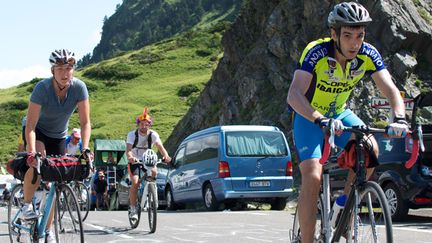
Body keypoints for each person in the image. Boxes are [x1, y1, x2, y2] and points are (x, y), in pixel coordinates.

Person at [286, 2, 409, 242]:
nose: (355, 43)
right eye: (348, 35)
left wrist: (400, 118)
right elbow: (294, 95)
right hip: (309, 116)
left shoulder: (367, 54)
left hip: (340, 113)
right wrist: (319, 119)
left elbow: (392, 91)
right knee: (312, 176)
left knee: (371, 148)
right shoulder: (317, 52)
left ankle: (344, 205)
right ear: (334, 34)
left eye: (360, 35)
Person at [22, 49, 91, 242]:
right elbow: (31, 126)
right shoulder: (42, 89)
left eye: (69, 67)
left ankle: (48, 230)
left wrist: (85, 148)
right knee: (39, 163)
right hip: (37, 131)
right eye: (60, 68)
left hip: (59, 136)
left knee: (55, 181)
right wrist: (32, 152)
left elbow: (85, 123)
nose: (65, 72)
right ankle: (27, 205)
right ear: (53, 70)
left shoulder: (79, 88)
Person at [126, 107, 171, 220]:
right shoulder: (132, 135)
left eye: (146, 124)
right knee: (135, 182)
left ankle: (150, 190)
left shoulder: (153, 135)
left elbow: (161, 147)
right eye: (141, 124)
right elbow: (128, 149)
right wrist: (130, 157)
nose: (144, 126)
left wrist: (166, 156)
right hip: (135, 160)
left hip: (148, 159)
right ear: (138, 124)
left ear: (149, 125)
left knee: (154, 172)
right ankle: (132, 208)